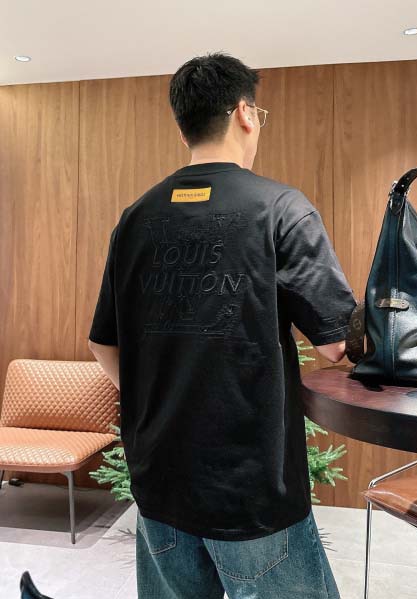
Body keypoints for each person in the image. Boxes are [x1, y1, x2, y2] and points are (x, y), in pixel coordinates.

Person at [88, 51, 357, 599]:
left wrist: (162, 399)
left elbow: (102, 345)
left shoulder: (135, 218)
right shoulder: (281, 208)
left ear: (183, 126)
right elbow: (336, 345)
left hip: (158, 477)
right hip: (250, 487)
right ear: (244, 113)